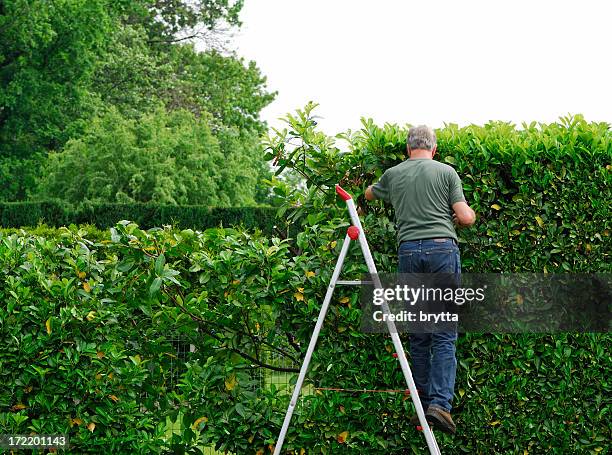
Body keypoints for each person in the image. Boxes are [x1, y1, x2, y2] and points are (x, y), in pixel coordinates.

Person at [364, 125, 475, 434]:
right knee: (443, 333)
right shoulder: (446, 173)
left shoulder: (394, 174)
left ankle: (422, 403)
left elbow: (369, 194)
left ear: (408, 148)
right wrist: (468, 216)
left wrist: (371, 188)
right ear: (433, 148)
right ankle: (440, 405)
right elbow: (465, 217)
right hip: (442, 251)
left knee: (420, 334)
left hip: (409, 252)